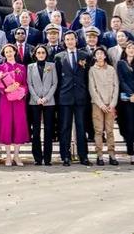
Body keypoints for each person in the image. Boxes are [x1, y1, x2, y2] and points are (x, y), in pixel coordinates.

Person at [55, 31, 92, 166]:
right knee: (65, 127)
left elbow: (88, 76)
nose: (70, 41)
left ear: (76, 40)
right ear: (64, 42)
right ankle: (65, 156)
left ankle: (83, 156)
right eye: (67, 39)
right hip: (65, 97)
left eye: (72, 39)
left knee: (81, 127)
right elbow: (57, 78)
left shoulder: (85, 55)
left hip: (81, 96)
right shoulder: (59, 57)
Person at [0, 44, 29, 166]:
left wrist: (21, 90)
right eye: (6, 52)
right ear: (4, 54)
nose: (9, 53)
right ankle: (8, 156)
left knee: (19, 125)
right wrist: (5, 89)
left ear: (15, 52)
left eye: (10, 51)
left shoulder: (22, 67)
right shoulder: (0, 67)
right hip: (5, 100)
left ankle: (16, 156)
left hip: (18, 100)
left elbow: (25, 83)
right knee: (6, 125)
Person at [27, 45, 57, 166]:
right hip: (35, 102)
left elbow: (54, 83)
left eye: (43, 52)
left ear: (46, 54)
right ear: (35, 54)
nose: (41, 54)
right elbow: (29, 84)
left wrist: (46, 98)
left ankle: (48, 158)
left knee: (48, 130)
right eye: (38, 52)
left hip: (49, 101)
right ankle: (37, 158)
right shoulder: (30, 67)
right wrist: (37, 98)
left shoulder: (52, 66)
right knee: (36, 130)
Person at [88, 47, 119, 166]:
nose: (100, 55)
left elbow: (116, 87)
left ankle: (112, 154)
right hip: (97, 105)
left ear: (105, 56)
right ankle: (99, 155)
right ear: (95, 57)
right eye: (97, 54)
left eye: (102, 53)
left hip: (110, 104)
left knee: (110, 130)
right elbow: (92, 88)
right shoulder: (92, 70)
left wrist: (112, 104)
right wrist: (101, 104)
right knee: (98, 130)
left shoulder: (111, 69)